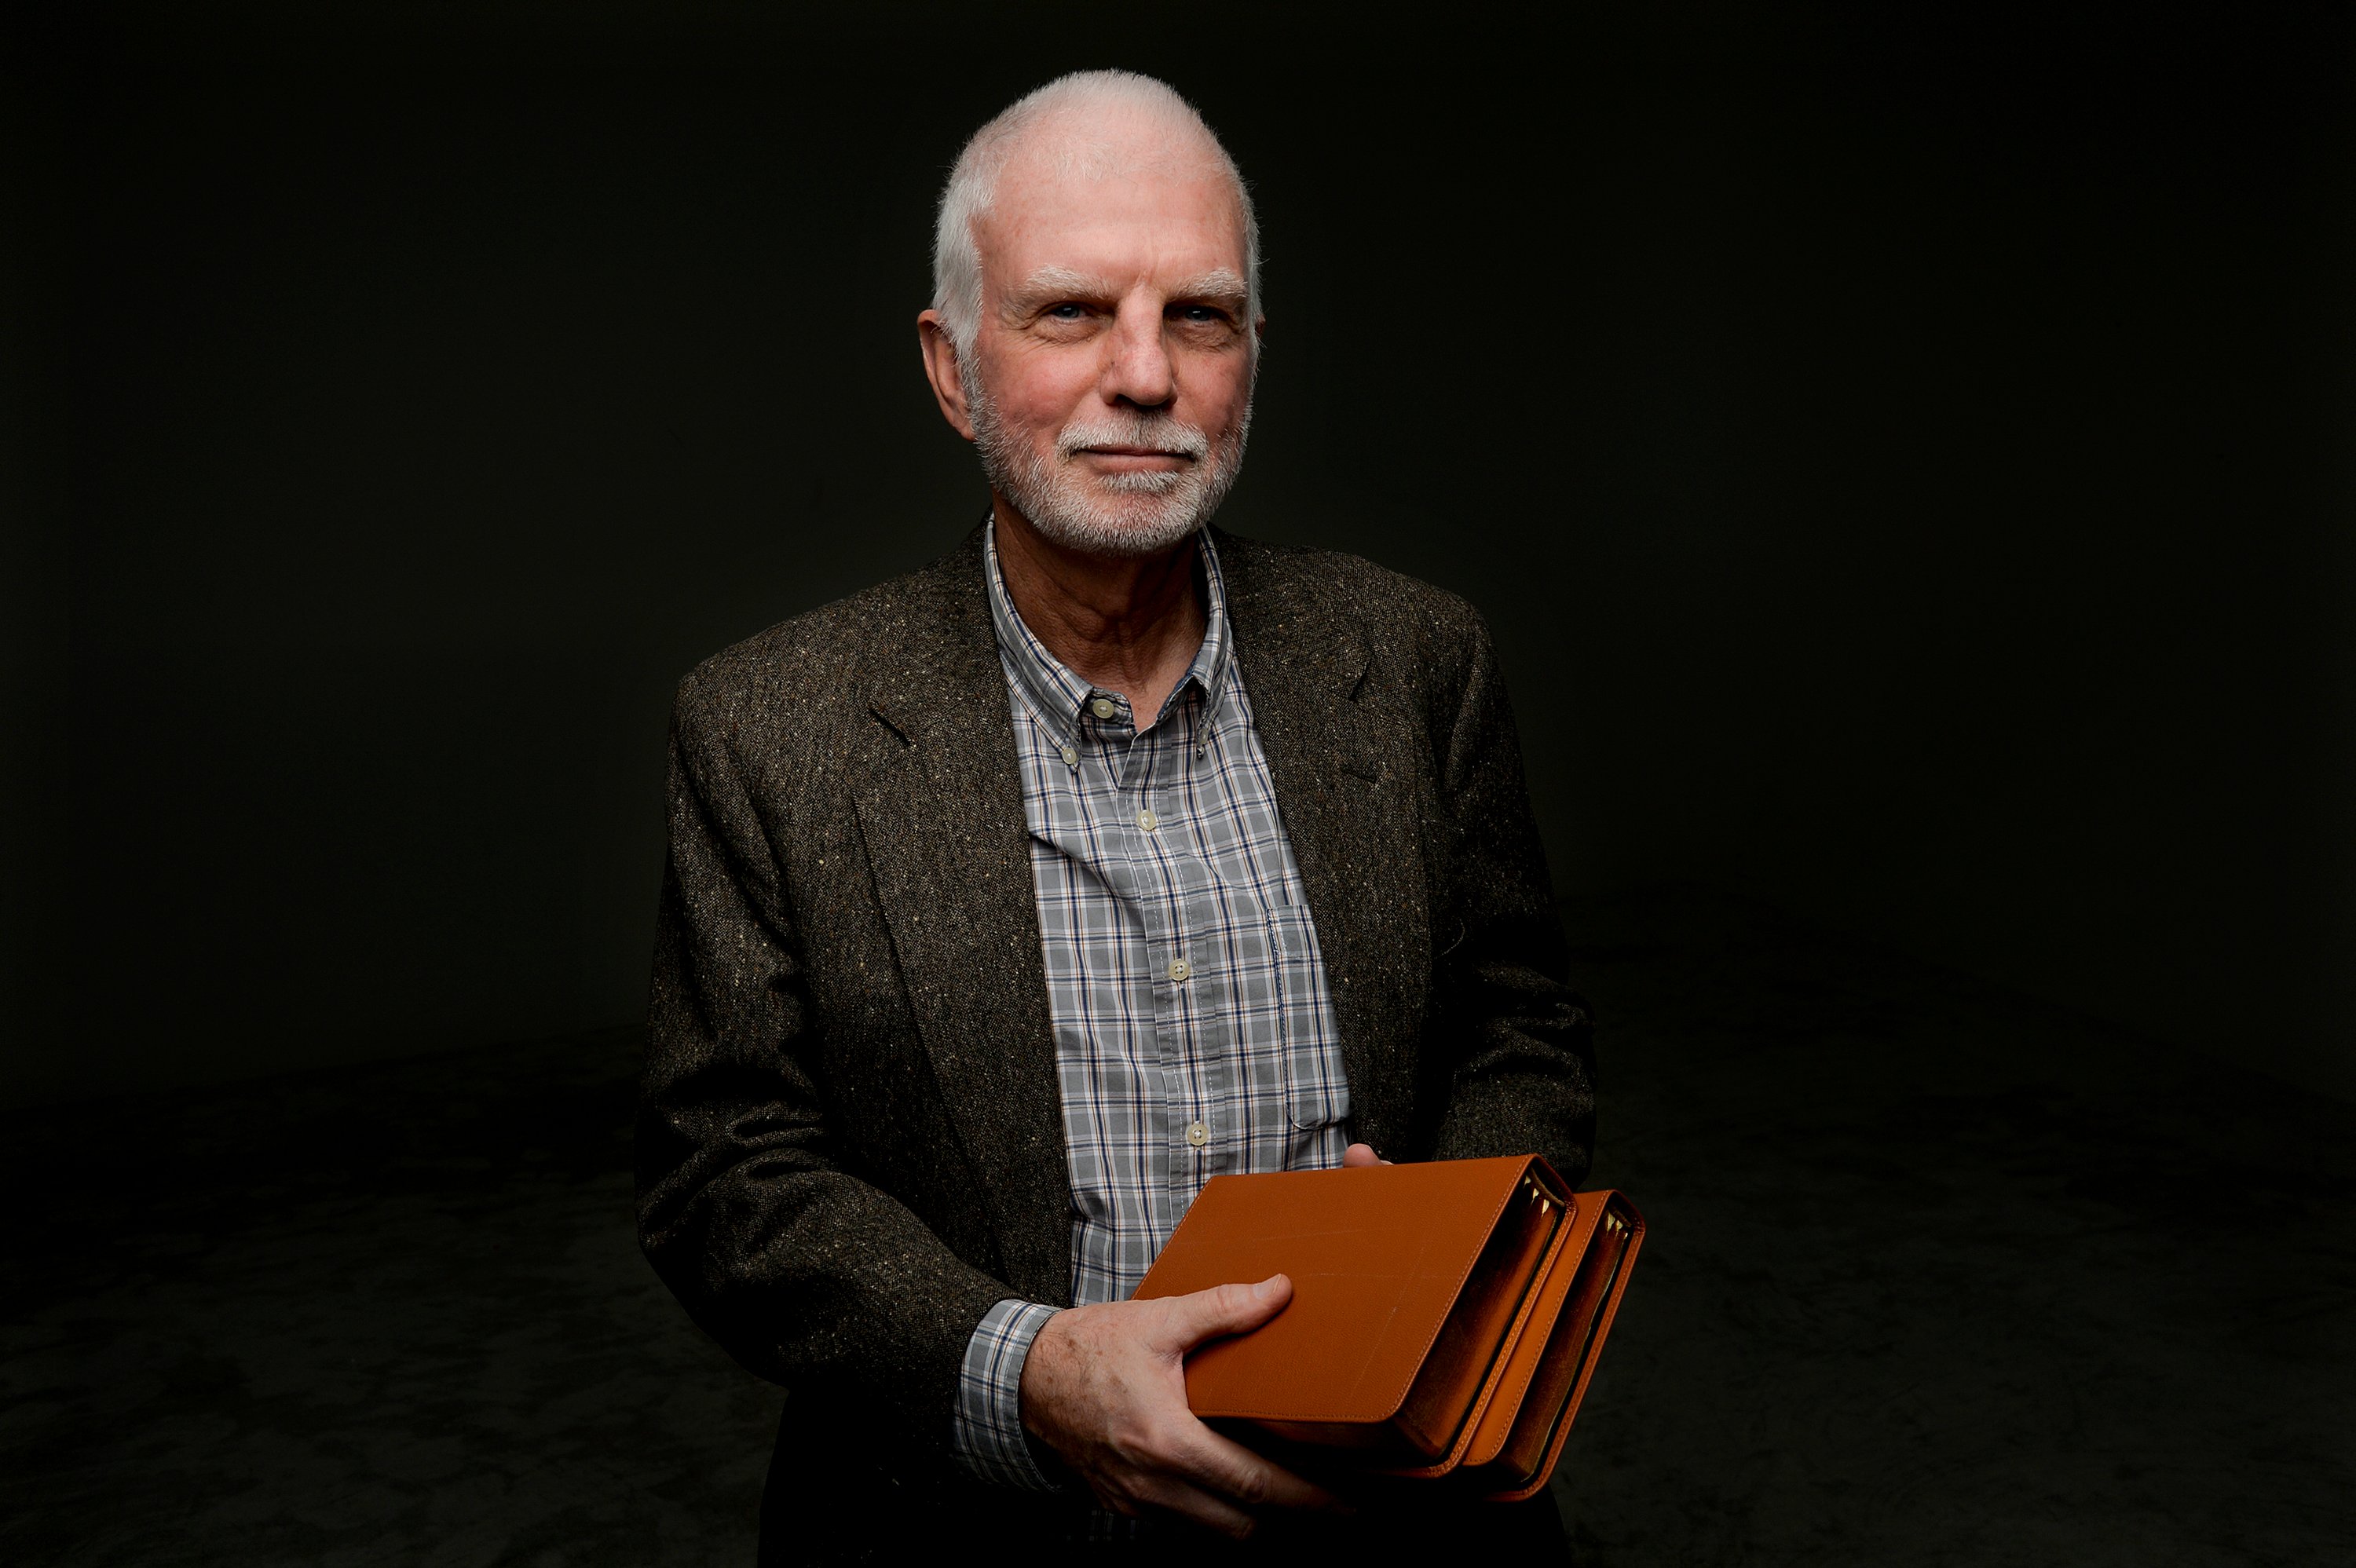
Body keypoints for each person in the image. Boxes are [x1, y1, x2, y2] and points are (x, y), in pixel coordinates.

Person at [636, 69, 1595, 1559]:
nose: (1144, 374)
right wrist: (1021, 1373)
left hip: (1397, 1516)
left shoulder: (1413, 660)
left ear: (1251, 360)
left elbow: (1517, 1027)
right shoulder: (775, 728)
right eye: (1072, 311)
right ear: (953, 365)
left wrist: (1444, 1254)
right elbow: (725, 1167)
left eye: (1198, 316)